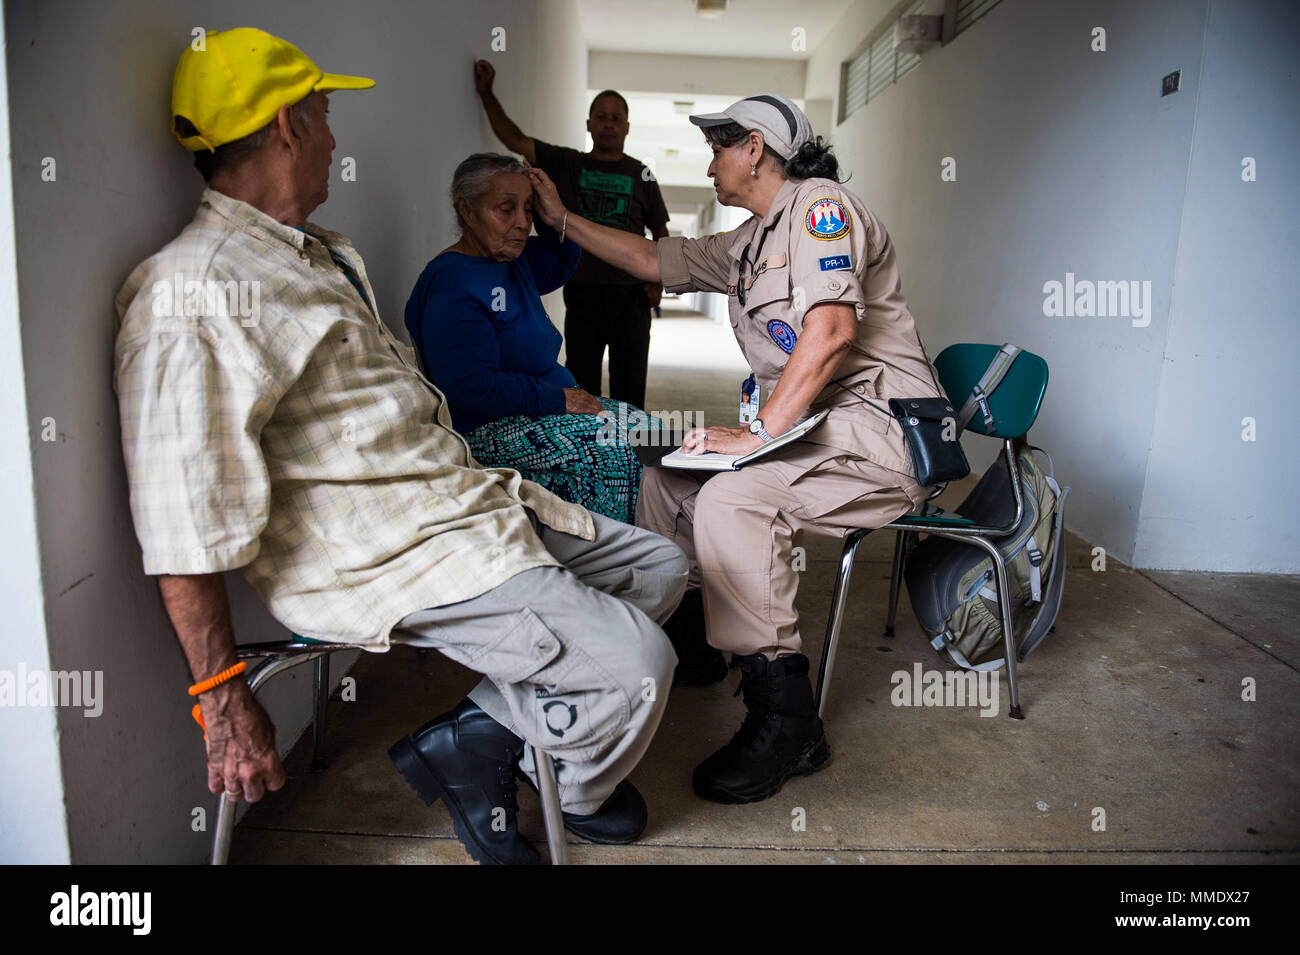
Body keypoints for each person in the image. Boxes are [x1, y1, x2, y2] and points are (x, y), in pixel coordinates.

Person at [112, 27, 686, 865]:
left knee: (664, 568)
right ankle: (564, 780)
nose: (336, 135)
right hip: (379, 550)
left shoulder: (314, 255)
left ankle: (480, 734)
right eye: (325, 112)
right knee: (640, 666)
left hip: (457, 504)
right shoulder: (192, 293)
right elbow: (178, 520)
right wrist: (219, 695)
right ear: (285, 126)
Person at [524, 94, 946, 805]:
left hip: (877, 434)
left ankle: (787, 720)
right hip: (816, 426)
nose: (709, 161)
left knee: (733, 497)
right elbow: (650, 256)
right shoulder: (752, 240)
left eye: (718, 146)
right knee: (668, 482)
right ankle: (692, 645)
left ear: (754, 147)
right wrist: (563, 220)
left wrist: (756, 435)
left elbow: (833, 331)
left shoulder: (821, 209)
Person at [404, 153, 643, 523]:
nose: (521, 224)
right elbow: (471, 386)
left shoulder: (515, 259)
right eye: (506, 209)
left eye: (528, 210)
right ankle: (622, 557)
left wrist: (553, 211)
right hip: (489, 426)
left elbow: (563, 260)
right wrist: (558, 398)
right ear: (467, 211)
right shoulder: (452, 282)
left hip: (543, 408)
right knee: (616, 454)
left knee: (660, 435)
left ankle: (682, 538)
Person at [474, 60, 670, 409]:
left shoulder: (642, 174)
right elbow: (514, 138)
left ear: (626, 127)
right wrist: (487, 94)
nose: (608, 123)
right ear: (589, 125)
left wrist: (658, 281)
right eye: (601, 116)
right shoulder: (568, 164)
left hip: (631, 297)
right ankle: (590, 455)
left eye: (616, 118)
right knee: (581, 386)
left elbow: (660, 231)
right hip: (583, 294)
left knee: (630, 385)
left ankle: (634, 454)